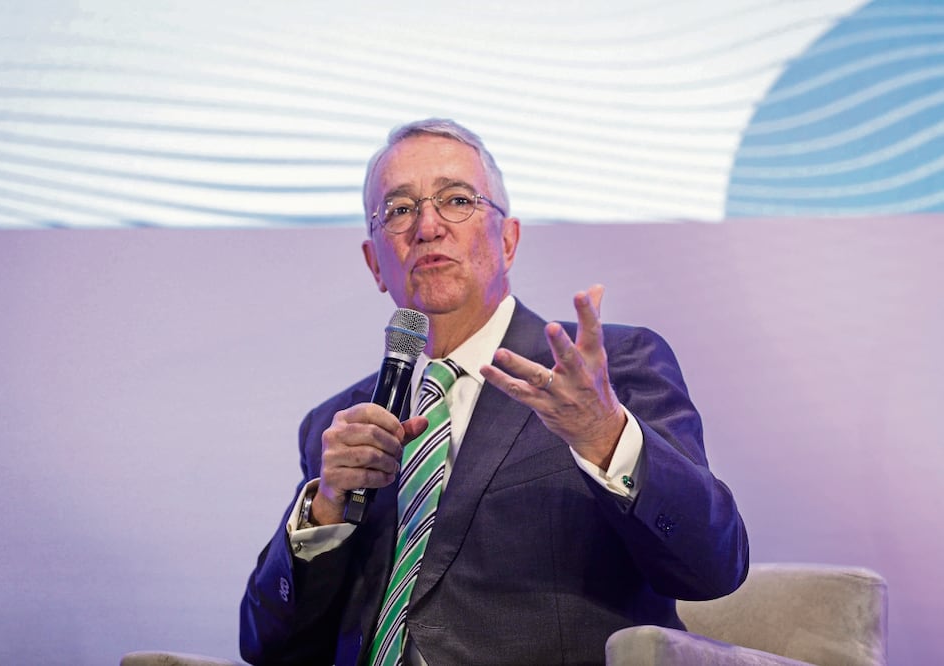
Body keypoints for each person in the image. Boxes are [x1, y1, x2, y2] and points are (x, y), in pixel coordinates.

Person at [239, 118, 749, 665]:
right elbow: (267, 645)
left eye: (457, 200)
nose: (427, 226)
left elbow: (712, 566)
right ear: (374, 263)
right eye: (400, 209)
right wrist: (326, 509)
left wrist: (604, 435)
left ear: (508, 241)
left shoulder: (604, 372)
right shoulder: (339, 425)